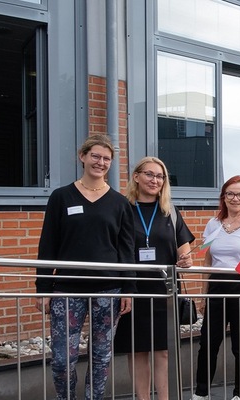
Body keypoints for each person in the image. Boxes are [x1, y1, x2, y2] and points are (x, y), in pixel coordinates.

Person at [36, 134, 136, 400]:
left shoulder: (120, 203)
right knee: (61, 359)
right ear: (82, 157)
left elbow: (126, 251)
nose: (100, 162)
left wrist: (129, 289)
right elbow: (48, 245)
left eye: (106, 159)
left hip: (108, 290)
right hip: (67, 290)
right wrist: (43, 288)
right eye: (95, 156)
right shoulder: (61, 197)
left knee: (101, 358)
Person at [114, 157, 194, 400]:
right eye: (149, 174)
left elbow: (185, 249)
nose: (155, 180)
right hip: (133, 289)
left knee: (163, 352)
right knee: (137, 351)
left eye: (160, 176)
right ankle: (142, 398)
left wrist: (186, 260)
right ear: (136, 177)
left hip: (164, 291)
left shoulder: (169, 212)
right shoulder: (122, 209)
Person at [192, 176, 240, 400]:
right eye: (231, 194)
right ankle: (201, 392)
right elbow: (207, 261)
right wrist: (203, 295)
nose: (236, 198)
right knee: (208, 342)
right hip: (217, 287)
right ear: (223, 197)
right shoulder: (213, 224)